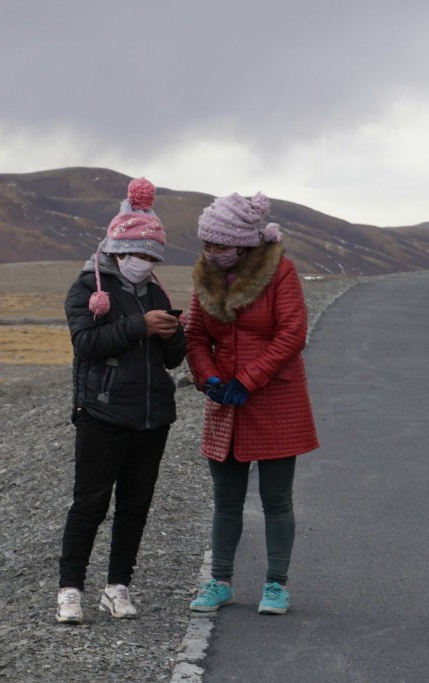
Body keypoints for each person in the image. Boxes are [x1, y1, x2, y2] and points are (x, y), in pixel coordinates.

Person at [56, 178, 187, 624]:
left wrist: (174, 331)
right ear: (117, 249)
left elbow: (171, 361)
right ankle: (70, 590)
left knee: (135, 505)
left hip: (152, 419)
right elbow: (86, 344)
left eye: (153, 257)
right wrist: (141, 326)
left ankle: (117, 587)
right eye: (138, 254)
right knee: (90, 504)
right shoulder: (86, 288)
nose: (144, 263)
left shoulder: (157, 292)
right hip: (102, 414)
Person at [184, 192, 318, 616]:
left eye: (218, 246)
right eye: (206, 245)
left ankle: (276, 585)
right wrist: (208, 377)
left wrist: (248, 379)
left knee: (276, 499)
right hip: (224, 402)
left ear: (242, 243)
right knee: (226, 500)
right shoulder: (205, 276)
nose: (210, 253)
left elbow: (291, 335)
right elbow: (195, 336)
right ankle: (220, 582)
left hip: (276, 400)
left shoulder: (281, 272)